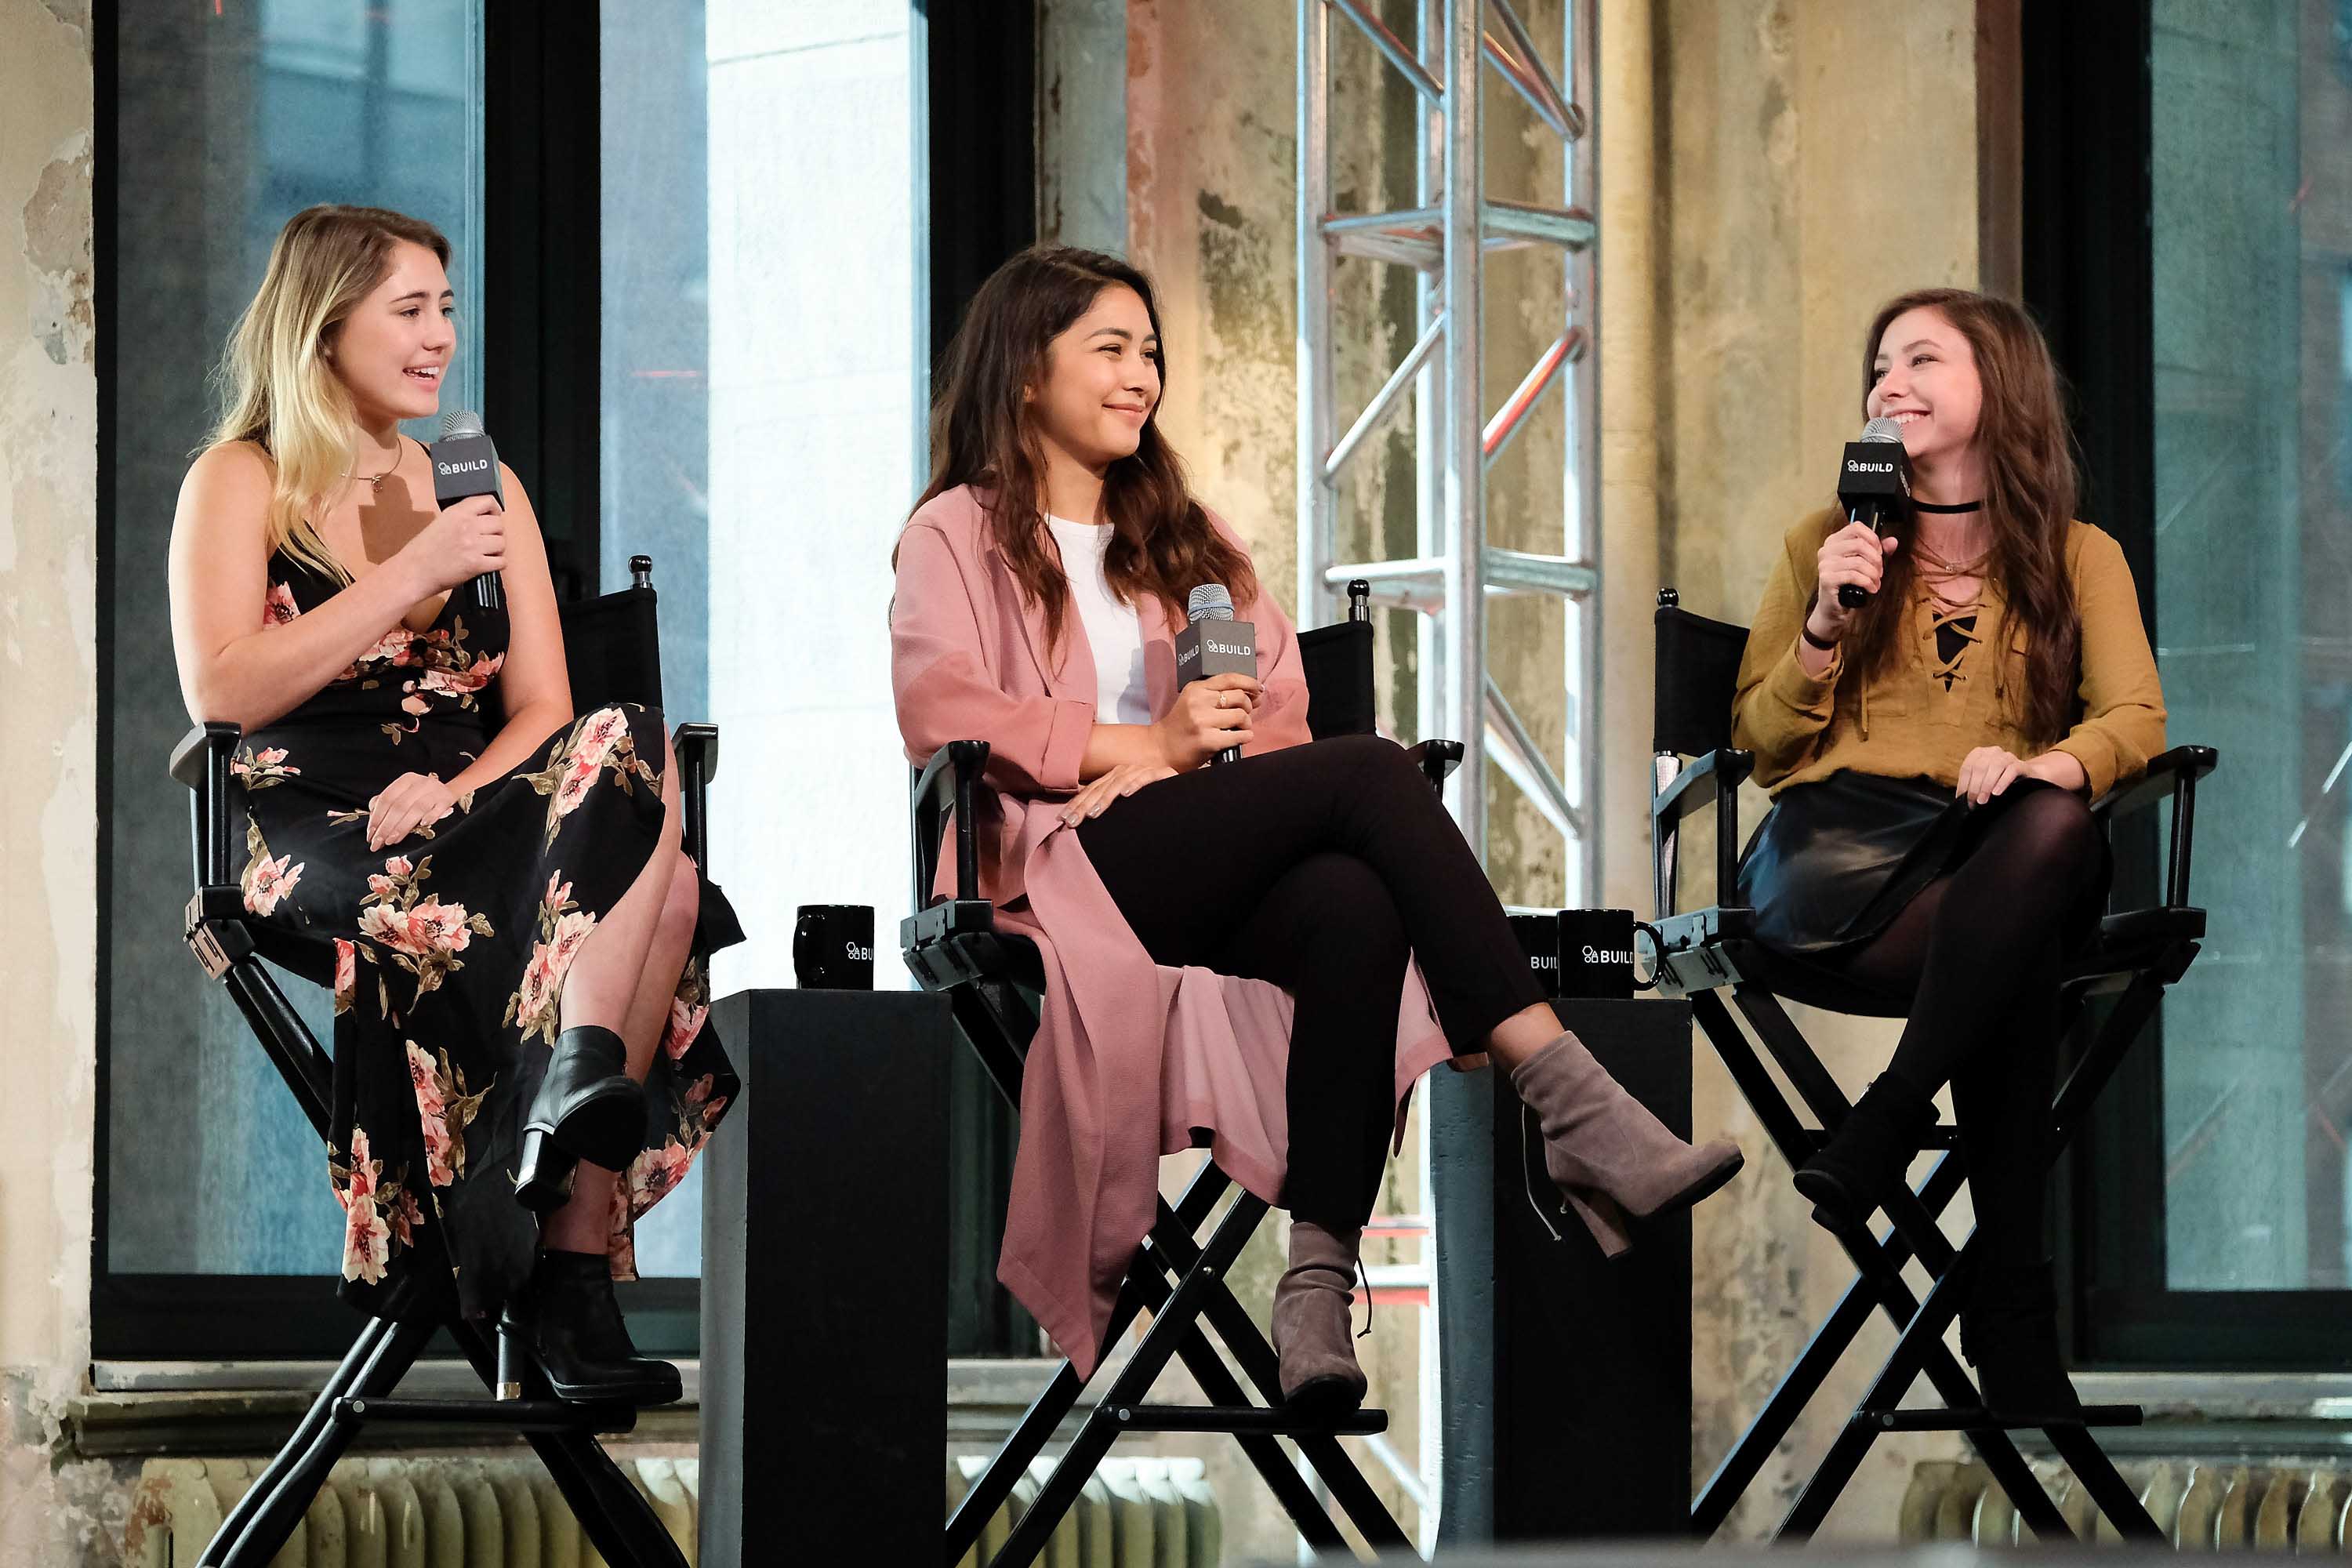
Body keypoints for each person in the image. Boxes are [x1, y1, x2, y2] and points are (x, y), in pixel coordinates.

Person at [891, 245, 1743, 1408]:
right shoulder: (957, 531)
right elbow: (945, 708)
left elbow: (1275, 717)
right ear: (1025, 373)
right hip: (1057, 861)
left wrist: (1204, 766)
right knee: (1375, 776)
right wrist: (1147, 750)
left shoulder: (1189, 541)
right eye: (1110, 349)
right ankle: (1568, 1099)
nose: (1141, 376)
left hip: (1192, 844)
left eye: (1151, 353)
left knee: (1352, 903)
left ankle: (1315, 1288)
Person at [166, 205, 739, 1403]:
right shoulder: (243, 477)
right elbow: (223, 682)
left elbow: (543, 707)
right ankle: (573, 1276)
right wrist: (413, 574)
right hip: (317, 811)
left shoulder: (479, 481)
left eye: (448, 308)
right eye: (410, 310)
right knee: (668, 884)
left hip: (467, 799)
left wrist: (457, 787)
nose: (441, 337)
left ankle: (577, 1091)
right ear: (325, 327)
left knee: (631, 739)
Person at [1731, 286, 2166, 1415]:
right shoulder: (1820, 546)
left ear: (1999, 388)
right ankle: (2012, 1309)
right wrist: (1827, 623)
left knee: (2048, 839)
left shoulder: (2078, 558)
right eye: (1881, 365)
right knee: (2014, 962)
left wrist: (2040, 767)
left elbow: (2136, 721)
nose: (1891, 384)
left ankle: (1888, 1118)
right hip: (1842, 869)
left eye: (1923, 359)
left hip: (2001, 847)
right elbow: (1763, 747)